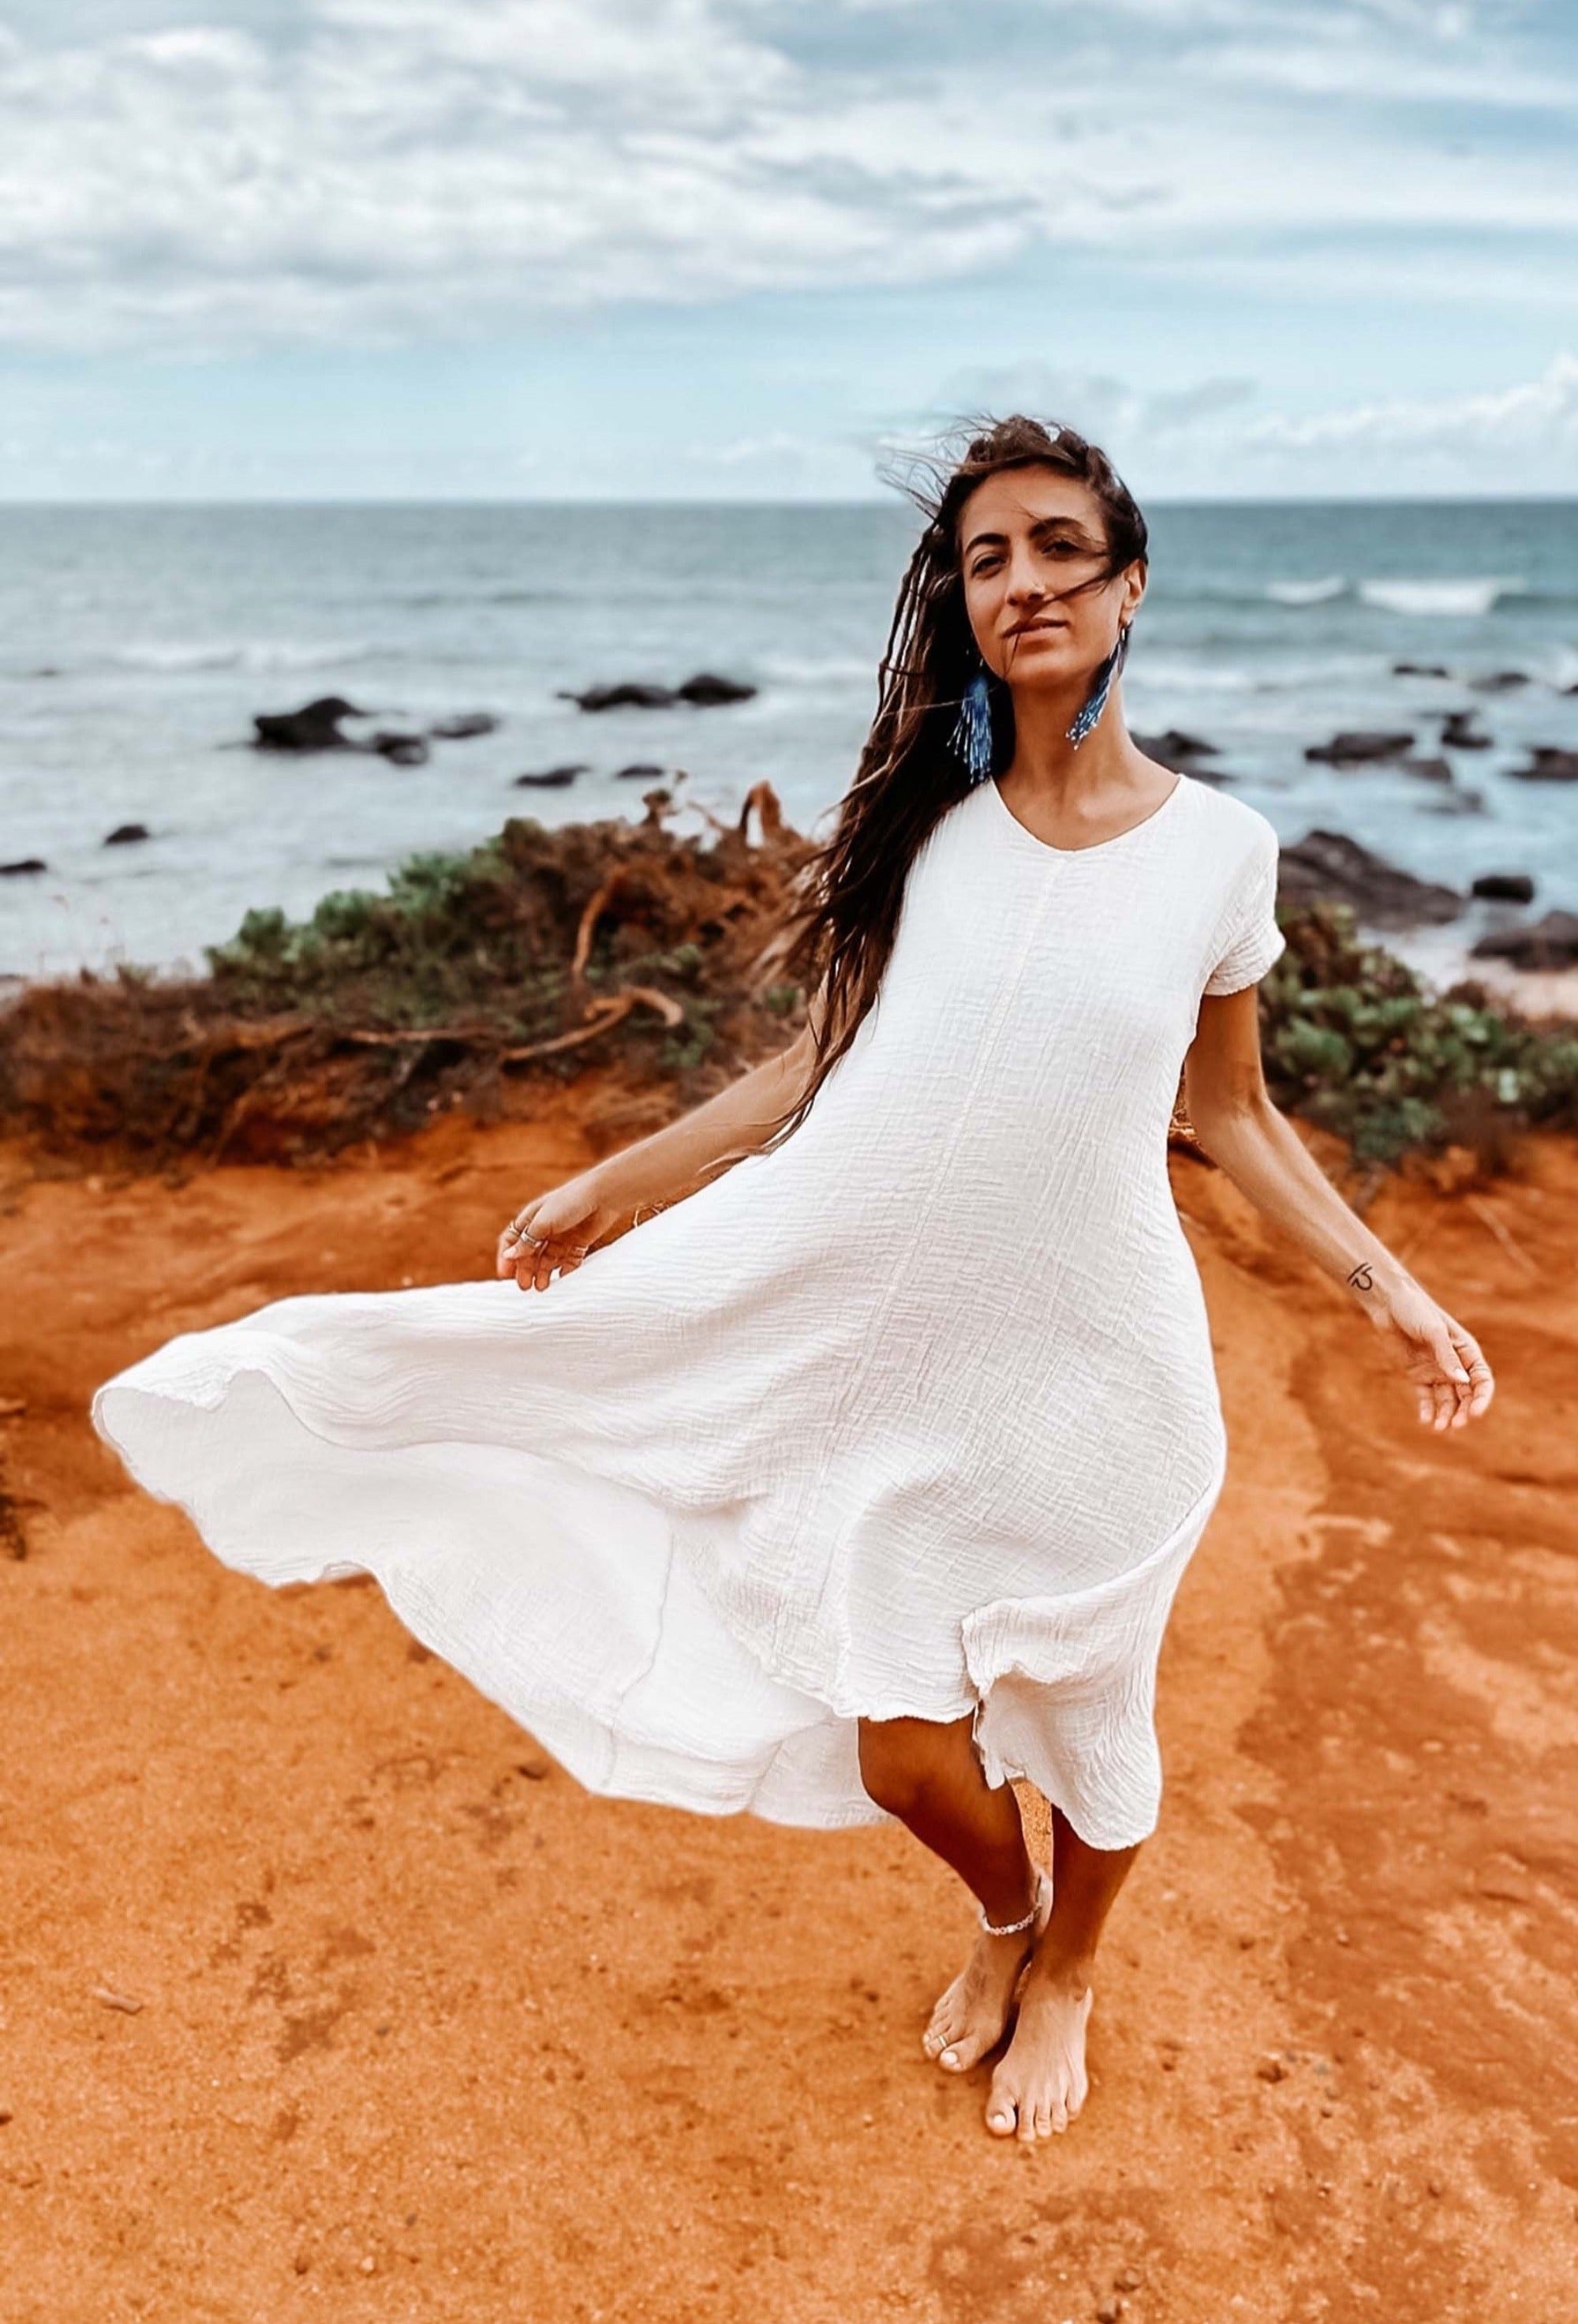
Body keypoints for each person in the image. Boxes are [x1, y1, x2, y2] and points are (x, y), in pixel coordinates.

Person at [93, 416, 1494, 2147]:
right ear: (966, 608)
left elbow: (1234, 1112)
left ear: (1128, 588)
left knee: (1094, 1721)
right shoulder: (934, 832)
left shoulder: (1222, 852)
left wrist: (1394, 1292)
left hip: (1098, 1371)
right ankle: (1002, 1915)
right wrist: (612, 1186)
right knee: (907, 1748)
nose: (1024, 582)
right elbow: (813, 1065)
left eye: (1059, 547)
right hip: (888, 1354)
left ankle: (1069, 1969)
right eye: (988, 559)